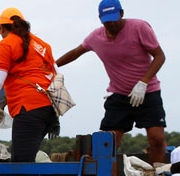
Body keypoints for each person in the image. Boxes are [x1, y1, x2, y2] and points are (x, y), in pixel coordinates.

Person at [55, 0, 167, 164]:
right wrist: (52, 66)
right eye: (107, 21)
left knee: (156, 138)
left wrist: (143, 82)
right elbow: (76, 52)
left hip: (147, 92)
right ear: (100, 19)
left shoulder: (139, 27)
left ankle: (158, 173)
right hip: (119, 95)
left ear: (121, 14)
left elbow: (160, 56)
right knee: (108, 141)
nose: (111, 24)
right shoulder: (96, 37)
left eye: (114, 20)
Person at [0, 7, 58, 162]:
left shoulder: (6, 45)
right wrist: (55, 116)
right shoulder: (43, 45)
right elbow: (56, 78)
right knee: (25, 159)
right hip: (49, 110)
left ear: (0, 28)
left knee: (20, 165)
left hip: (28, 109)